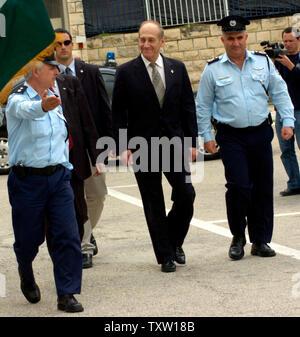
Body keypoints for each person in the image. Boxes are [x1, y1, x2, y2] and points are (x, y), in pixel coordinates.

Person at [196, 15, 295, 261]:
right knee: (239, 186)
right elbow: (203, 105)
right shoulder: (213, 68)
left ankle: (260, 240)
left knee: (263, 187)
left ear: (246, 38)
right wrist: (206, 136)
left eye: (239, 37)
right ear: (223, 40)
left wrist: (288, 121)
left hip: (260, 132)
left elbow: (280, 91)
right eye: (230, 38)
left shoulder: (262, 62)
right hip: (231, 137)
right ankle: (238, 236)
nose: (235, 42)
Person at [112, 20, 198, 273]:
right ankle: (165, 256)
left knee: (186, 195)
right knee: (154, 204)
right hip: (142, 147)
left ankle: (174, 241)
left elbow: (187, 108)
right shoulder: (126, 72)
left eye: (151, 39)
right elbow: (118, 112)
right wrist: (123, 144)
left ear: (162, 41)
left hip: (173, 145)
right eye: (142, 39)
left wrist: (192, 142)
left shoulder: (177, 69)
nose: (146, 44)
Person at [6, 54, 83, 312]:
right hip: (28, 181)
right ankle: (25, 269)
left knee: (68, 236)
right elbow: (25, 111)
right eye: (52, 68)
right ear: (36, 71)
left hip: (59, 178)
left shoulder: (55, 95)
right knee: (29, 239)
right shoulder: (18, 97)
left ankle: (67, 293)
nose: (56, 73)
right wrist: (43, 107)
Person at [54, 28, 113, 268]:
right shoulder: (47, 76)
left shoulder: (89, 72)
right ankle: (83, 244)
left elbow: (103, 109)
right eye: (58, 44)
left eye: (67, 42)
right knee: (71, 198)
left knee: (97, 196)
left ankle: (86, 228)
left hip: (90, 147)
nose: (63, 47)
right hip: (60, 150)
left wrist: (106, 145)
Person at [46, 72, 104, 252]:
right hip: (49, 161)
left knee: (83, 204)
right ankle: (79, 245)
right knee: (60, 209)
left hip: (74, 155)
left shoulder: (69, 82)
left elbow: (86, 121)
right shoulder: (31, 88)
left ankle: (83, 240)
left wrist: (97, 157)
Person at [274, 27, 300, 196]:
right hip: (283, 110)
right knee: (286, 149)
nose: (287, 44)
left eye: (290, 41)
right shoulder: (278, 59)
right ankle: (295, 183)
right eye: (285, 41)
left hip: (299, 108)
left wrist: (290, 66)